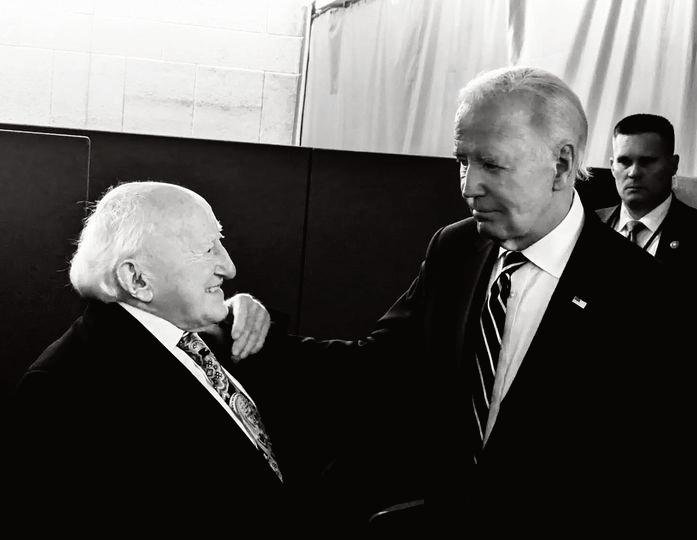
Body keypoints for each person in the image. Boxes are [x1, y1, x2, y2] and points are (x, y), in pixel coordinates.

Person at [260, 66, 686, 534]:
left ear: (562, 165)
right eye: (463, 160)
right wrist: (243, 334)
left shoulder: (646, 293)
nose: (467, 186)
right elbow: (374, 367)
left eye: (492, 164)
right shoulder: (455, 249)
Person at [7, 181, 310, 533]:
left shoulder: (197, 334)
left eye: (220, 242)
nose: (229, 267)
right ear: (136, 279)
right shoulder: (63, 390)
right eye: (207, 250)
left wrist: (235, 315)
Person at [597, 113, 697, 269]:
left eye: (647, 162)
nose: (633, 173)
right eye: (624, 161)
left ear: (673, 165)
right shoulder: (586, 224)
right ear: (612, 167)